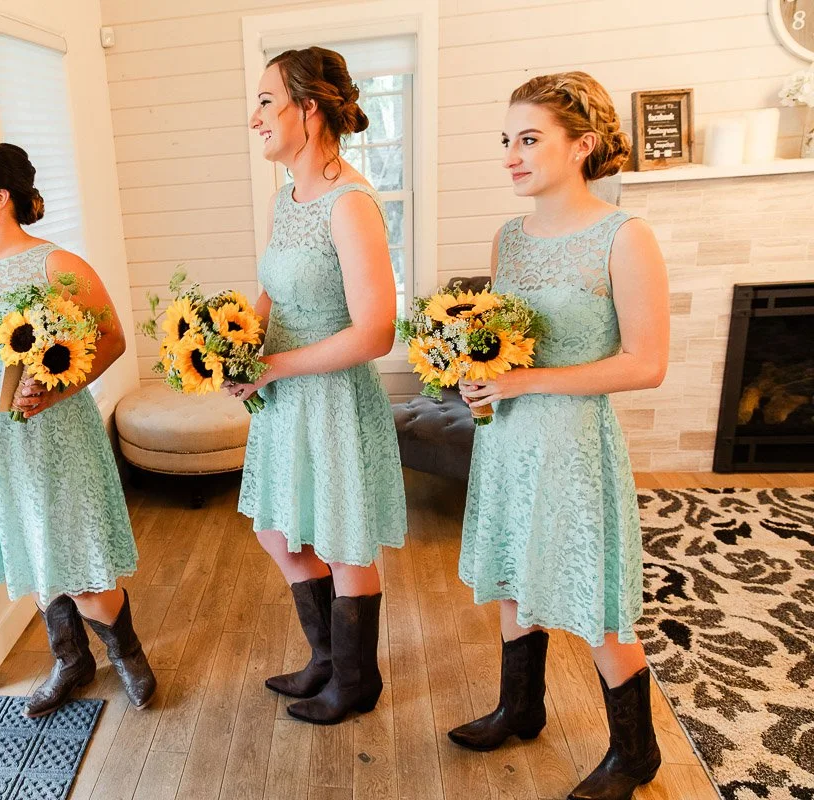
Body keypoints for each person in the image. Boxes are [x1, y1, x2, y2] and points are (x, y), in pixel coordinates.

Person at [448, 72, 669, 800]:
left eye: (530, 139)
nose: (512, 154)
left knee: (594, 598)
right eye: (506, 141)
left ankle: (635, 754)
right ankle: (520, 708)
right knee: (512, 572)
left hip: (575, 444)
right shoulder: (508, 238)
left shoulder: (625, 236)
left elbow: (646, 364)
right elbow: (505, 343)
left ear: (584, 146)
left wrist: (520, 384)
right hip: (508, 438)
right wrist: (473, 372)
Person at [0, 143, 155, 717]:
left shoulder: (57, 265)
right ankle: (71, 661)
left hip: (52, 437)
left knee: (77, 558)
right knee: (30, 551)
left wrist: (52, 390)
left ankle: (127, 654)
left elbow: (110, 340)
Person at [228, 47, 407, 726]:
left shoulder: (352, 204)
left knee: (340, 539)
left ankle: (357, 681)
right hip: (281, 400)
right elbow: (273, 292)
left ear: (309, 107)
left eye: (267, 101)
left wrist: (274, 366)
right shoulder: (286, 199)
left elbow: (375, 333)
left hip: (331, 399)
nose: (256, 117)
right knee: (281, 530)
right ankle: (326, 660)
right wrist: (237, 345)